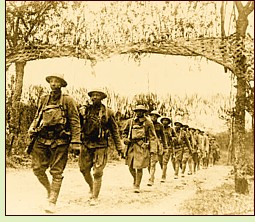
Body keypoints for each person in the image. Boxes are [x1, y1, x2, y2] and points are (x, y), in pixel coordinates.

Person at [27, 73, 81, 213]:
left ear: (62, 84)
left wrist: (76, 141)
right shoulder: (44, 98)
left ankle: (52, 201)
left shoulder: (68, 100)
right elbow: (38, 115)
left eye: (57, 82)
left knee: (56, 172)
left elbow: (75, 121)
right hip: (42, 138)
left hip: (60, 140)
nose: (54, 84)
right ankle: (50, 190)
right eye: (51, 81)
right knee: (37, 169)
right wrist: (32, 129)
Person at [78, 88, 124, 206]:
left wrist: (119, 147)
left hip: (101, 145)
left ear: (102, 98)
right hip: (86, 144)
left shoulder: (108, 112)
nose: (94, 97)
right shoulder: (85, 110)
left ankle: (95, 196)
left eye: (97, 95)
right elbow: (75, 123)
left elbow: (114, 131)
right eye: (93, 95)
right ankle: (91, 186)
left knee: (98, 171)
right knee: (83, 169)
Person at [122, 105, 157, 193]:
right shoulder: (130, 122)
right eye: (137, 111)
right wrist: (125, 139)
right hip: (131, 147)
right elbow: (124, 132)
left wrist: (152, 149)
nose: (139, 113)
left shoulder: (148, 123)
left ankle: (137, 185)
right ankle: (135, 179)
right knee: (130, 166)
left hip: (141, 147)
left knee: (139, 167)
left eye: (141, 111)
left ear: (144, 112)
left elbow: (153, 137)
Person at [147, 111, 168, 186]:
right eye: (152, 116)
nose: (154, 117)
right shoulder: (147, 124)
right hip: (147, 144)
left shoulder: (160, 126)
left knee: (153, 162)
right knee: (148, 163)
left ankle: (151, 179)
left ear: (157, 117)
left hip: (156, 144)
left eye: (155, 116)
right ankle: (151, 175)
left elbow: (163, 136)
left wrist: (165, 146)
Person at [160, 116, 176, 182]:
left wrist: (172, 138)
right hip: (160, 147)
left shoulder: (171, 129)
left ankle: (163, 176)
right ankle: (164, 172)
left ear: (168, 122)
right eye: (164, 120)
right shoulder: (159, 128)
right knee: (160, 161)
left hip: (168, 147)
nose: (165, 122)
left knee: (164, 162)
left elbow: (175, 137)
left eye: (166, 120)